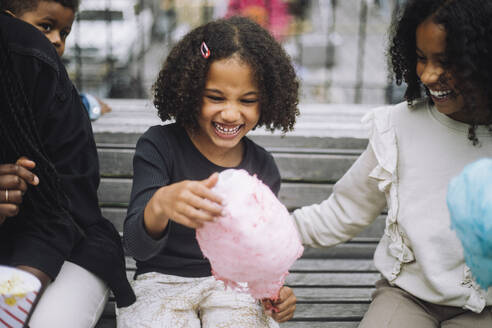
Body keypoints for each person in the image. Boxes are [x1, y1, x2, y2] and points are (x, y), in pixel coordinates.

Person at [291, 0, 492, 327]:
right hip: (408, 296)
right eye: (421, 58)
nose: (427, 74)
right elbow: (345, 209)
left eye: (446, 61)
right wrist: (273, 230)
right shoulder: (398, 128)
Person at [119, 16, 299, 328]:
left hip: (234, 288)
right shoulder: (159, 146)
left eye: (248, 101)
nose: (230, 113)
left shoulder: (263, 167)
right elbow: (136, 247)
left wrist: (273, 290)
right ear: (189, 90)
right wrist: (161, 204)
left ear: (266, 102)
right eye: (215, 97)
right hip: (161, 282)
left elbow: (260, 254)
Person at [0, 12, 135, 328]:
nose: (56, 39)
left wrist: (11, 302)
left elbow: (67, 205)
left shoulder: (26, 57)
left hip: (65, 247)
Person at [0, 0, 112, 121]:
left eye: (63, 33)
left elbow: (53, 106)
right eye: (46, 27)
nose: (57, 40)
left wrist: (87, 104)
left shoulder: (48, 77)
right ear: (10, 24)